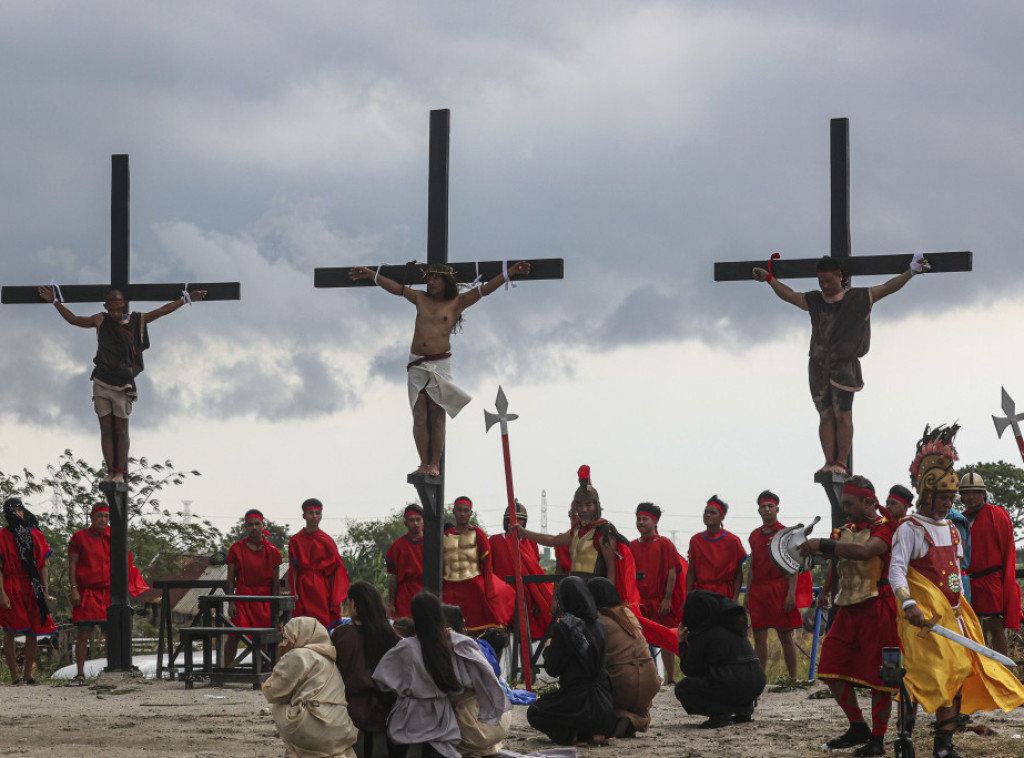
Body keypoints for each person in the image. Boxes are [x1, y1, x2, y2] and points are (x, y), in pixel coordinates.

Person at [892, 424, 1024, 758]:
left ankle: (943, 747)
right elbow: (896, 569)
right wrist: (908, 603)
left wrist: (962, 610)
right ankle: (904, 739)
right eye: (945, 497)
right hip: (921, 619)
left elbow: (954, 572)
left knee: (958, 674)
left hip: (952, 616)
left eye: (953, 497)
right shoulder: (910, 529)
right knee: (925, 679)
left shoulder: (952, 528)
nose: (951, 502)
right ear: (928, 495)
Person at [751, 254, 930, 474]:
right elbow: (790, 295)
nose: (824, 286)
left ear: (840, 277)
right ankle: (829, 461)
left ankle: (841, 462)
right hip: (818, 365)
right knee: (825, 414)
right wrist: (770, 280)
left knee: (843, 414)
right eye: (821, 282)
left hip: (844, 366)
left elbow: (887, 287)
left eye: (828, 281)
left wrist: (910, 272)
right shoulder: (815, 301)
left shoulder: (859, 297)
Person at [348, 261, 531, 476]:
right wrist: (373, 275)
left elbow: (485, 289)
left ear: (446, 281)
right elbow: (396, 289)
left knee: (436, 413)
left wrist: (509, 272)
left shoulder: (457, 302)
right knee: (419, 414)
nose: (431, 283)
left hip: (440, 363)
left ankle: (434, 464)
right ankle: (423, 463)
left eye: (436, 278)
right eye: (429, 279)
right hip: (417, 362)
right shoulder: (420, 298)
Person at [37, 285, 207, 482]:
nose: (115, 313)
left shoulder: (137, 320)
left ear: (124, 305)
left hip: (123, 383)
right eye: (112, 310)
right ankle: (110, 471)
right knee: (106, 430)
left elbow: (162, 311)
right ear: (106, 307)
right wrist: (55, 302)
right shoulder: (100, 320)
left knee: (121, 429)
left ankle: (120, 472)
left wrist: (186, 299)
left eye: (118, 309)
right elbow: (74, 320)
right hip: (101, 380)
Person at [797, 476, 900, 757]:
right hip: (847, 609)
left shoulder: (888, 529)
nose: (845, 509)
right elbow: (836, 563)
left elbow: (866, 552)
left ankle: (878, 739)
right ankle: (858, 726)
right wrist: (823, 589)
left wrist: (823, 545)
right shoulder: (843, 531)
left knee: (882, 678)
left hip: (879, 608)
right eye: (844, 503)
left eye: (850, 503)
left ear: (868, 502)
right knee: (830, 669)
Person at [373, 591, 511, 758]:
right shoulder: (450, 645)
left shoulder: (406, 648)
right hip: (444, 721)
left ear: (414, 617)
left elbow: (382, 680)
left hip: (411, 719)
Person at [516, 478, 641, 611]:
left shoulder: (603, 531)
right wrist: (523, 532)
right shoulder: (577, 530)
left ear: (596, 505)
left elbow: (611, 569)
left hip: (595, 594)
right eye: (580, 505)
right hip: (574, 590)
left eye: (588, 505)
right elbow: (551, 540)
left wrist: (607, 601)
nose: (583, 509)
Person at [526, 576, 615, 746]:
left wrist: (547, 649)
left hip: (579, 702)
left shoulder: (565, 628)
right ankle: (596, 733)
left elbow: (553, 669)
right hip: (605, 707)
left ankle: (572, 736)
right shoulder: (601, 626)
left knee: (535, 711)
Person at [68, 502, 149, 682]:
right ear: (91, 517)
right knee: (84, 633)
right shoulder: (79, 538)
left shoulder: (115, 536)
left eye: (106, 516)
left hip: (108, 592)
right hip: (87, 591)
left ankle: (109, 669)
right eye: (99, 516)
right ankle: (80, 672)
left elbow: (125, 562)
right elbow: (72, 565)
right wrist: (74, 589)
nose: (103, 519)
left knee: (111, 635)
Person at [261, 616, 358, 758]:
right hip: (341, 726)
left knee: (279, 704)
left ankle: (300, 748)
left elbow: (272, 692)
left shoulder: (298, 655)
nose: (284, 643)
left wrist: (282, 659)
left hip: (312, 726)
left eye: (287, 638)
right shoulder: (329, 658)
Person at [674, 589, 766, 729]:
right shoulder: (733, 625)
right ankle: (744, 709)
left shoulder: (703, 632)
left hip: (733, 680)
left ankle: (719, 713)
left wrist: (682, 642)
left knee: (682, 688)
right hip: (757, 682)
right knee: (720, 677)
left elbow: (689, 669)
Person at [744, 490, 812, 680]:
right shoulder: (754, 536)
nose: (767, 509)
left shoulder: (786, 534)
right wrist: (748, 594)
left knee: (785, 635)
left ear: (777, 509)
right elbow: (753, 566)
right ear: (758, 510)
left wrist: (791, 593)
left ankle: (793, 678)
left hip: (780, 588)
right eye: (763, 506)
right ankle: (760, 678)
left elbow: (794, 565)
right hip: (759, 589)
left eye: (770, 506)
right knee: (759, 636)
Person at [331, 581, 402, 758]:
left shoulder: (343, 635)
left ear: (353, 604)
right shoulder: (394, 637)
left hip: (349, 713)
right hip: (387, 715)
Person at [588, 577, 660, 738]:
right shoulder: (628, 613)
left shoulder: (597, 619)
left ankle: (622, 715)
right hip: (651, 684)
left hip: (623, 684)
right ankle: (637, 717)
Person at [959, 470, 1020, 657]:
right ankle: (981, 673)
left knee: (995, 625)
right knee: (974, 627)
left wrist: (1005, 581)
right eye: (966, 493)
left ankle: (1002, 671)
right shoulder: (960, 519)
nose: (970, 497)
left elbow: (1007, 548)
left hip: (992, 579)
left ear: (982, 493)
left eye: (974, 492)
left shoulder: (996, 514)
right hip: (969, 581)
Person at [0, 498, 56, 684]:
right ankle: (15, 677)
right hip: (11, 585)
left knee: (34, 630)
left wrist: (45, 591)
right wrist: (2, 593)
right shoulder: (2, 536)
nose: (18, 513)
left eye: (20, 509)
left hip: (33, 586)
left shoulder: (35, 535)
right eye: (13, 510)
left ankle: (28, 675)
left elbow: (43, 566)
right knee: (11, 631)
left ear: (24, 511)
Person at [629, 502, 686, 684]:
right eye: (638, 519)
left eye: (644, 519)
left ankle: (670, 678)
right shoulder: (631, 546)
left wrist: (667, 599)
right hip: (640, 602)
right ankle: (648, 678)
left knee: (666, 637)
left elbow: (672, 571)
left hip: (660, 600)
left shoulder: (665, 544)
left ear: (654, 521)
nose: (641, 522)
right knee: (639, 639)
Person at [442, 496, 514, 633]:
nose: (462, 513)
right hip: (449, 588)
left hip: (473, 587)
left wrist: (489, 592)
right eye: (459, 510)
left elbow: (487, 565)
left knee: (478, 630)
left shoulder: (478, 534)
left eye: (465, 510)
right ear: (454, 511)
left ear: (471, 513)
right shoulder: (444, 536)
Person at [224, 508, 283, 666]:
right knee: (233, 635)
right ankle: (226, 671)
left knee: (264, 639)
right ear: (245, 527)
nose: (254, 527)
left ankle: (264, 672)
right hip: (242, 598)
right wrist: (231, 602)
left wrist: (275, 606)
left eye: (257, 524)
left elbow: (276, 582)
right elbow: (230, 580)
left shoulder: (273, 552)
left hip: (264, 600)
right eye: (250, 524)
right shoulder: (236, 549)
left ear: (263, 525)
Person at [488, 501, 553, 639]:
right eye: (512, 519)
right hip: (504, 598)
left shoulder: (531, 542)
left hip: (528, 596)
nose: (516, 523)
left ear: (524, 522)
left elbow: (535, 570)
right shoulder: (495, 541)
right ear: (506, 521)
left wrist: (537, 600)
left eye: (520, 519)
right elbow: (490, 570)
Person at [288, 499, 349, 629]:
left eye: (317, 513)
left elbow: (334, 571)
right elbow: (294, 569)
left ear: (321, 515)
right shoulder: (295, 540)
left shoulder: (327, 541)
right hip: (302, 586)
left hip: (322, 587)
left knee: (322, 623)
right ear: (304, 515)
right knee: (302, 624)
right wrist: (294, 592)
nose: (314, 516)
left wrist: (334, 596)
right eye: (311, 513)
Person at [686, 496, 746, 601]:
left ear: (721, 517)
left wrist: (735, 597)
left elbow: (738, 573)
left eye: (713, 513)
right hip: (701, 593)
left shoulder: (732, 541)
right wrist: (688, 595)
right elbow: (691, 571)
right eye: (706, 512)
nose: (708, 515)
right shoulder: (696, 540)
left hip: (723, 593)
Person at [385, 504, 425, 618]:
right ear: (405, 523)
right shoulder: (397, 546)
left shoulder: (432, 542)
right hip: (404, 597)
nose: (415, 523)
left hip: (426, 592)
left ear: (423, 521)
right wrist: (391, 603)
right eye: (411, 520)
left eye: (418, 519)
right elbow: (394, 577)